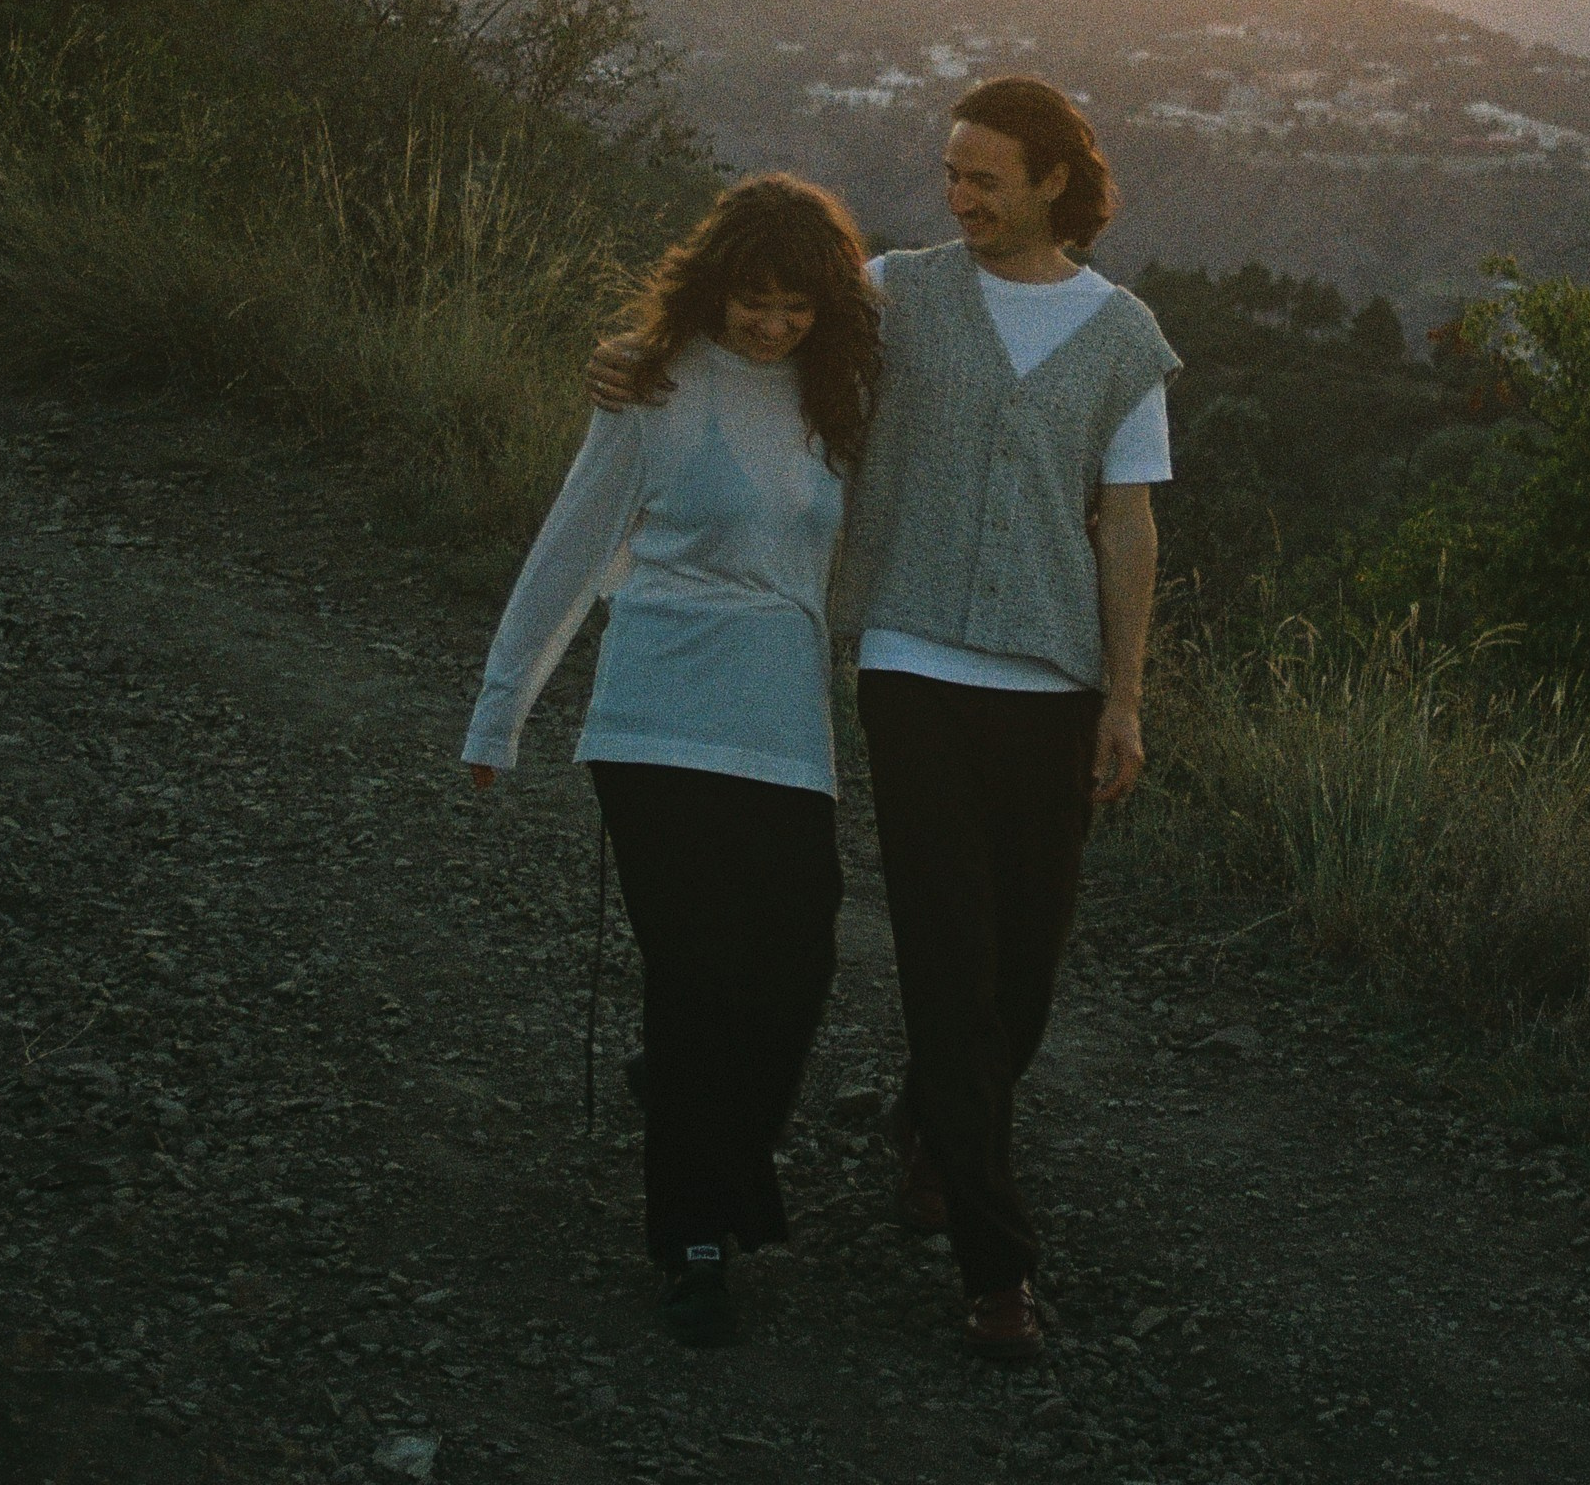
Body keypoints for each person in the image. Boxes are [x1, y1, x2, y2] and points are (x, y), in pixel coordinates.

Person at [592, 78, 1178, 1365]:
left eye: (984, 177)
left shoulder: (1124, 336)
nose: (957, 195)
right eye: (951, 173)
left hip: (1056, 679)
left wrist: (1124, 696)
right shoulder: (900, 292)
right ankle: (997, 1267)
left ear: (1054, 184)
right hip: (910, 662)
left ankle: (933, 1119)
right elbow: (757, 315)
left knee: (1022, 978)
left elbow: (1127, 522)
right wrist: (645, 352)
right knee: (952, 966)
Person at [462, 174, 880, 1347]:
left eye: (797, 304)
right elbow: (573, 542)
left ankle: (698, 1120)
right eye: (753, 299)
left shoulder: (841, 388)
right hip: (653, 714)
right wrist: (502, 712)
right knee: (696, 978)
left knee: (796, 959)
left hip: (783, 720)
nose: (772, 324)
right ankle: (694, 1240)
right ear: (716, 284)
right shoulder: (650, 381)